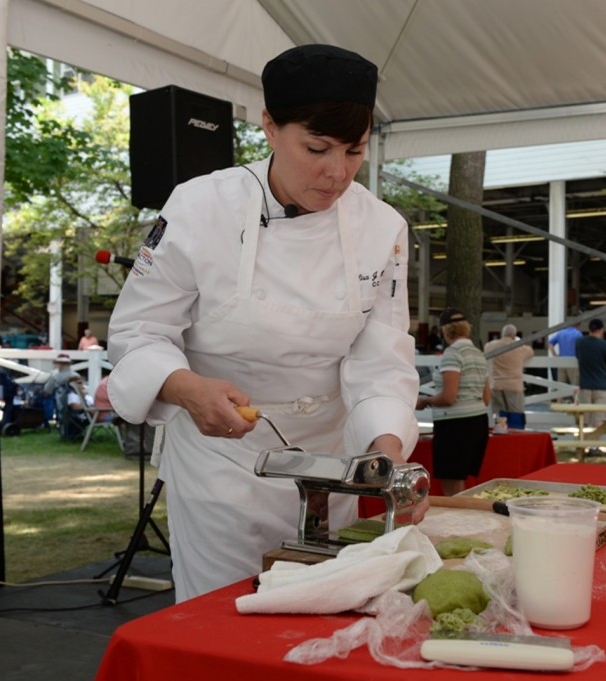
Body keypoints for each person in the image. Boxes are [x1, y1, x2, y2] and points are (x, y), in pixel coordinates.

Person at [105, 44, 422, 602]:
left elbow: (381, 356)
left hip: (332, 466)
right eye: (317, 148)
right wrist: (187, 389)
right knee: (223, 624)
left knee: (326, 619)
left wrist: (387, 453)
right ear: (270, 127)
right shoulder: (201, 207)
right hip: (221, 467)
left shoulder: (383, 227)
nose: (336, 173)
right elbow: (139, 333)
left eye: (355, 152)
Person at [416, 308, 491, 496]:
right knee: (460, 480)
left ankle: (459, 520)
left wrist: (426, 400)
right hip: (478, 420)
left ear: (445, 331)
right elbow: (486, 398)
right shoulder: (478, 354)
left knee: (451, 483)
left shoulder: (452, 354)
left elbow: (449, 397)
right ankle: (463, 517)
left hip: (456, 424)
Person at [575, 319, 606, 453]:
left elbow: (578, 357)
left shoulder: (580, 343)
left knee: (586, 418)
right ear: (601, 330)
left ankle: (583, 444)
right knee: (599, 418)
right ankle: (594, 446)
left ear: (589, 329)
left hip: (585, 384)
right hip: (601, 385)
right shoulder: (604, 344)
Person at [483, 323, 534, 429]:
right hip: (514, 386)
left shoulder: (491, 346)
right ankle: (515, 434)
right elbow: (530, 352)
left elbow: (486, 347)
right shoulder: (520, 347)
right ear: (514, 335)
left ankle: (501, 431)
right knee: (516, 412)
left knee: (499, 412)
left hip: (497, 385)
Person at [547, 323, 582, 398]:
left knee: (560, 386)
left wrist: (555, 355)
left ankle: (560, 403)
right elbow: (582, 346)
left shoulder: (560, 333)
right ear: (578, 325)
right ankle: (575, 404)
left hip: (561, 361)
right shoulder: (578, 333)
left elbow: (550, 343)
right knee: (574, 385)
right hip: (573, 362)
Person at [41, 353, 76, 423]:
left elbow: (46, 392)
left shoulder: (56, 377)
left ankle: (46, 418)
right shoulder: (76, 375)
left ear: (60, 365)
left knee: (46, 398)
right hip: (76, 403)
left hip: (62, 403)